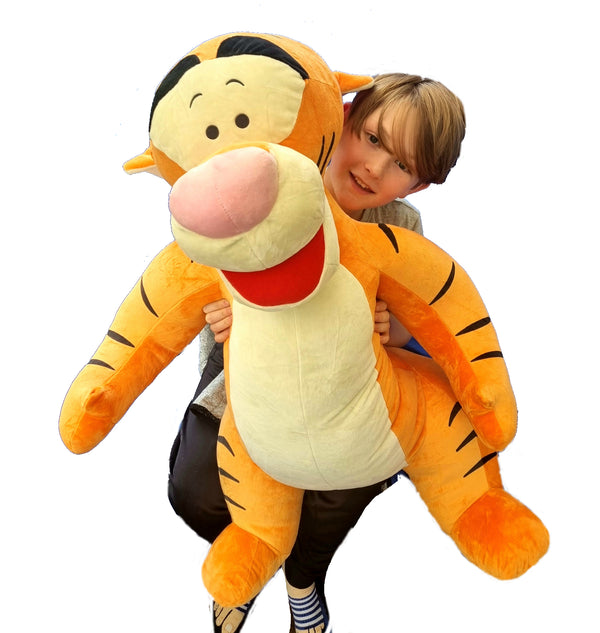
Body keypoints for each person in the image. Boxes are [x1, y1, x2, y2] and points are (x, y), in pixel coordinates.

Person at [167, 72, 466, 633]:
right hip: (247, 381)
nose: (374, 167)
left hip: (344, 399)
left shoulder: (403, 227)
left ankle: (303, 578)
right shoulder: (275, 180)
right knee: (195, 492)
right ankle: (256, 552)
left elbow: (431, 319)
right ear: (344, 118)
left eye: (401, 165)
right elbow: (194, 264)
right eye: (373, 139)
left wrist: (399, 331)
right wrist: (223, 303)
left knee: (341, 489)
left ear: (419, 184)